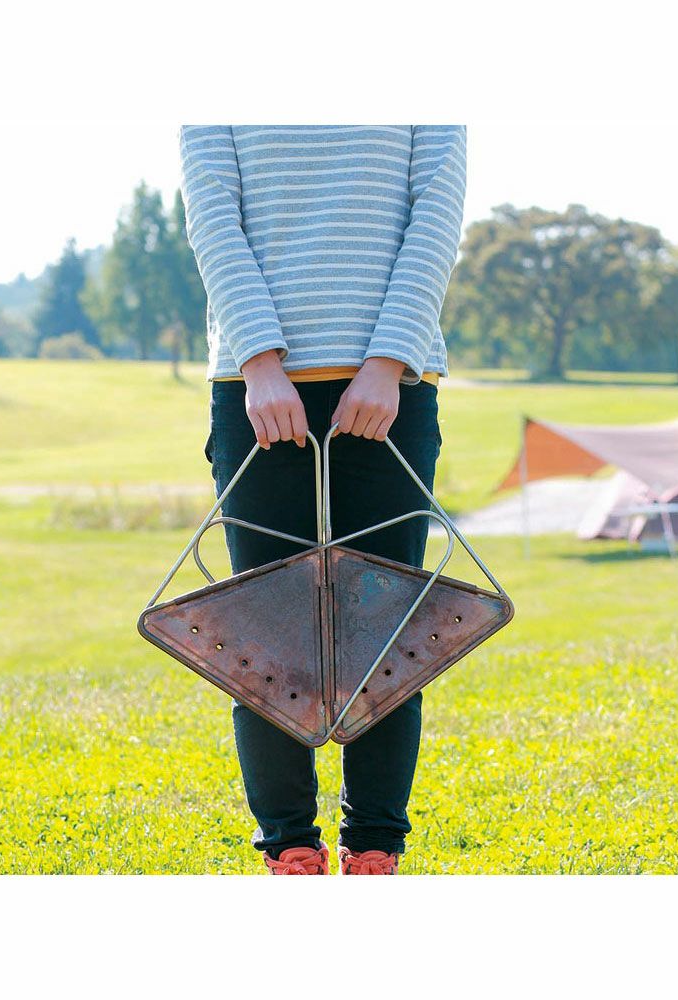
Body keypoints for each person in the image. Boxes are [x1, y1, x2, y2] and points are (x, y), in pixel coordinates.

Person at [179, 124, 466, 874]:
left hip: (391, 389)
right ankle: (290, 852)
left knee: (386, 638)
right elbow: (213, 216)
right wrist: (259, 364)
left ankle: (375, 849)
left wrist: (388, 363)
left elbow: (436, 212)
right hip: (256, 391)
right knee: (266, 640)